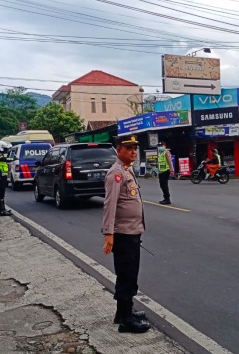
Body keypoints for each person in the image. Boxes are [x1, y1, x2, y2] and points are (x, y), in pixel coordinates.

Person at [102, 134, 151, 334]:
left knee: (128, 275)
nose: (133, 151)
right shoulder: (116, 174)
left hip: (132, 232)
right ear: (118, 150)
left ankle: (123, 312)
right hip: (123, 234)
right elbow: (110, 205)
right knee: (127, 276)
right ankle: (126, 321)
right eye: (128, 148)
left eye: (135, 148)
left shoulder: (126, 171)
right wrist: (109, 234)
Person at [0, 141, 15, 216]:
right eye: (4, 148)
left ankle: (2, 209)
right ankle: (1, 210)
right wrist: (13, 158)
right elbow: (4, 159)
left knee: (1, 193)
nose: (5, 150)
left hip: (2, 176)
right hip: (0, 176)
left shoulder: (0, 154)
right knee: (0, 193)